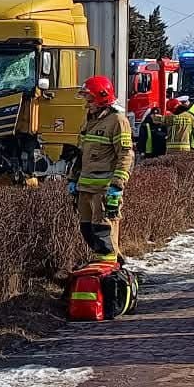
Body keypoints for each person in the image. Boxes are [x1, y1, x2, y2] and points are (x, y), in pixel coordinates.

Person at [72, 74, 134, 263]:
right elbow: (81, 154)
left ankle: (110, 273)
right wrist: (73, 179)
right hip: (85, 187)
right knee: (87, 229)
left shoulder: (117, 121)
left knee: (103, 229)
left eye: (89, 98)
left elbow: (126, 154)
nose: (86, 103)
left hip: (105, 189)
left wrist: (117, 186)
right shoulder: (90, 120)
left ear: (102, 97)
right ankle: (107, 265)